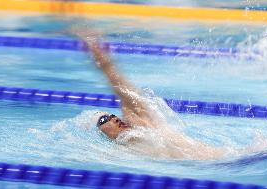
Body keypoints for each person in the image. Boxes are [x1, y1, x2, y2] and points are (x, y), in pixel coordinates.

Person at [71, 29, 225, 160]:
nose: (114, 118)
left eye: (111, 115)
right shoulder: (122, 152)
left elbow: (119, 85)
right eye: (105, 119)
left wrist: (97, 52)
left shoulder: (141, 124)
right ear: (102, 133)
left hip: (221, 158)